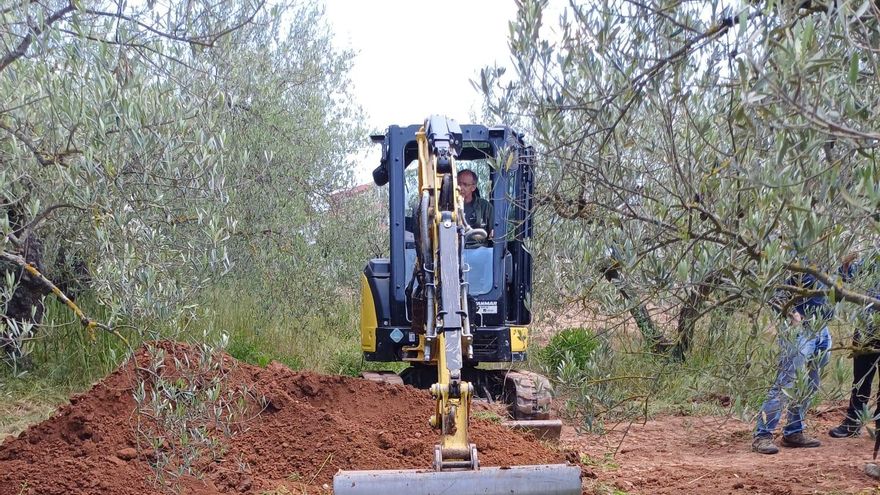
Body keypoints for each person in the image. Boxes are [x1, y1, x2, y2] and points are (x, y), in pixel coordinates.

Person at [752, 270, 833, 455]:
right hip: (799, 330)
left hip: (822, 328)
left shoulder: (826, 259)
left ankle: (794, 431)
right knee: (786, 382)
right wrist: (791, 313)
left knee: (810, 383)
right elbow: (772, 283)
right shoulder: (796, 257)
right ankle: (762, 435)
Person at [828, 256, 880, 438]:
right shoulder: (873, 258)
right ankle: (852, 423)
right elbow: (847, 276)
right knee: (861, 379)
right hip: (867, 327)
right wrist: (846, 263)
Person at [457, 169, 493, 243]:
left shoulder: (485, 206)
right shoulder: (448, 206)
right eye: (458, 184)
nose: (460, 188)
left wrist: (493, 232)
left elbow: (495, 230)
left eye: (465, 185)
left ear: (473, 187)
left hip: (479, 248)